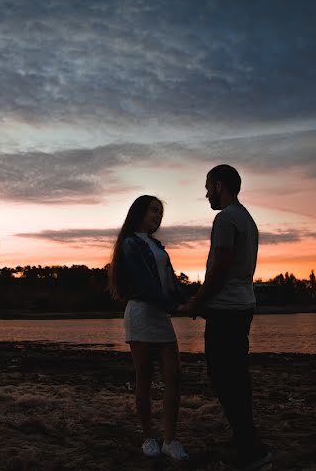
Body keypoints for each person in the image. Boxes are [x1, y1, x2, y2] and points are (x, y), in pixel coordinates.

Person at [179, 165, 273, 470]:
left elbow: (219, 268)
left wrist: (196, 301)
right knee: (237, 376)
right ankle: (245, 436)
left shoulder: (225, 218)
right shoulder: (247, 218)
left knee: (223, 378)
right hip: (242, 306)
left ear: (219, 185)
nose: (206, 193)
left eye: (208, 187)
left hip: (226, 310)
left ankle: (251, 449)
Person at [107, 195, 190, 461]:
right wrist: (173, 307)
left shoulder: (156, 246)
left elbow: (170, 283)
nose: (158, 216)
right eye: (154, 210)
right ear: (140, 212)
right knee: (144, 378)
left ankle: (170, 439)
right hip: (142, 313)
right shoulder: (131, 243)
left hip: (161, 315)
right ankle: (148, 437)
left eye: (160, 212)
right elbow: (145, 284)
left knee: (173, 377)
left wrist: (191, 303)